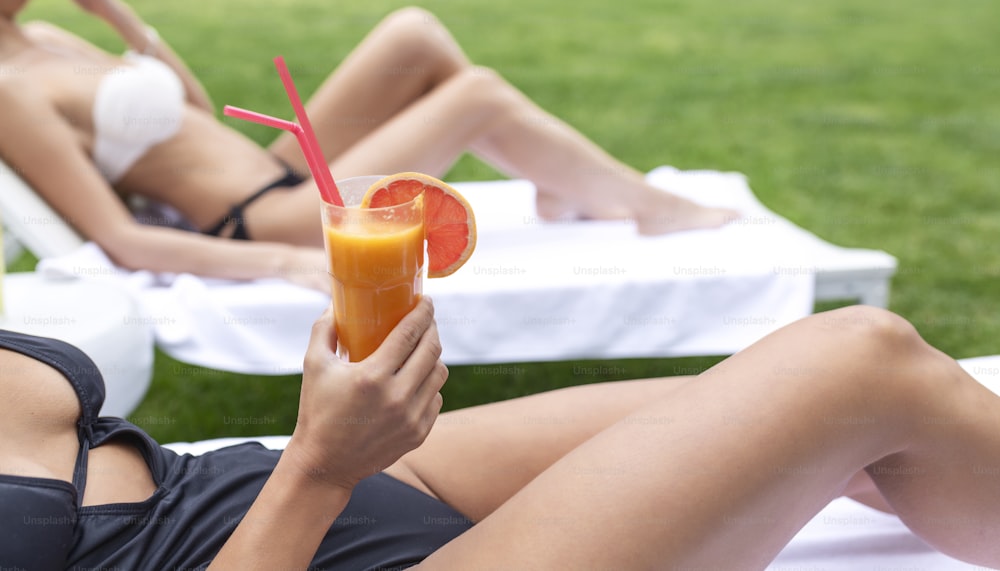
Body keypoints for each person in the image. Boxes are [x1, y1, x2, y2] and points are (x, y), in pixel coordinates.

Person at [2, 300, 999, 569]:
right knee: (858, 364)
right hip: (291, 526)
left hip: (261, 492)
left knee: (791, 419)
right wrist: (318, 466)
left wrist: (323, 468)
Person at [0, 0, 736, 290]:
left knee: (412, 32)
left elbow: (189, 112)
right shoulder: (11, 92)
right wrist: (288, 262)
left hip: (269, 169)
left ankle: (557, 179)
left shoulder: (52, 39)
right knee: (475, 93)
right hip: (267, 214)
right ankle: (646, 204)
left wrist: (116, 14)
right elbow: (120, 235)